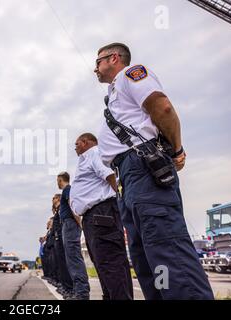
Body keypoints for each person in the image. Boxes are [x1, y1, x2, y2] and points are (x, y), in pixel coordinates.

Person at [94, 42, 214, 300]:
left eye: (99, 62)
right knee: (146, 258)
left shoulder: (131, 74)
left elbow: (163, 108)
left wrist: (177, 150)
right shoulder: (115, 93)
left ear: (114, 58)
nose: (95, 68)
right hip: (129, 176)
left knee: (167, 250)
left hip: (141, 168)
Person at [70, 133, 133, 300]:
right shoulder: (86, 159)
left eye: (77, 144)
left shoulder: (94, 153)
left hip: (102, 212)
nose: (75, 147)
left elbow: (110, 175)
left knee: (111, 263)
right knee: (103, 265)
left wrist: (121, 201)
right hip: (94, 216)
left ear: (85, 142)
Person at [57, 172, 90, 300]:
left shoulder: (67, 189)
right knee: (71, 258)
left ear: (60, 180)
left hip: (70, 224)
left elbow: (73, 206)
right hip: (68, 224)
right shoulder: (67, 190)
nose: (57, 183)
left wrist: (79, 223)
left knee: (74, 258)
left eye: (57, 180)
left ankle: (82, 293)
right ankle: (78, 291)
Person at [51, 194, 74, 300]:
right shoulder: (58, 211)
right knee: (61, 264)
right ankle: (65, 286)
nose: (53, 200)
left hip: (62, 237)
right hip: (58, 239)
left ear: (59, 198)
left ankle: (69, 288)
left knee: (65, 264)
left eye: (54, 198)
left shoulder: (63, 208)